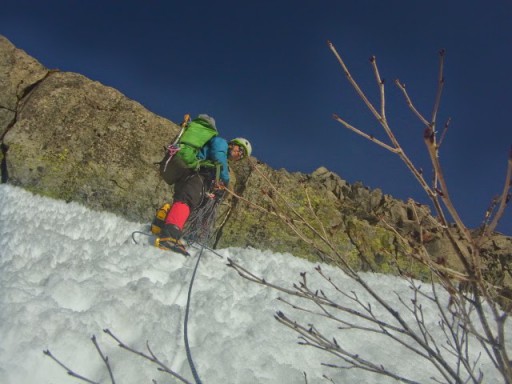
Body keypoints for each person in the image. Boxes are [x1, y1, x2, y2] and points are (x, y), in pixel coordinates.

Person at [152, 114, 252, 254]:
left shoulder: (220, 156)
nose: (238, 155)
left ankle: (160, 223)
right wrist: (226, 180)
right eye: (240, 150)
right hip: (197, 175)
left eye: (241, 156)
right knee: (187, 200)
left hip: (191, 175)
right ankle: (169, 236)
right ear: (233, 144)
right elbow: (217, 155)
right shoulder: (221, 142)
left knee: (187, 201)